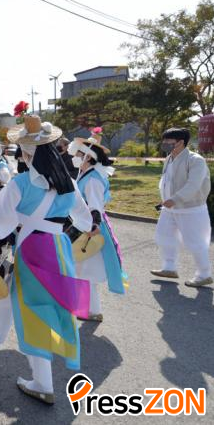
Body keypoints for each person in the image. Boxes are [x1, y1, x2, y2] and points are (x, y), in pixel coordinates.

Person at [0, 115, 92, 405]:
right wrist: (60, 238)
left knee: (34, 312)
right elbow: (86, 222)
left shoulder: (21, 184)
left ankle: (43, 383)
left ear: (26, 153)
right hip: (59, 251)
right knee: (18, 295)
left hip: (31, 251)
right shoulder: (69, 184)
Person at [68, 130, 127, 322]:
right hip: (86, 225)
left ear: (88, 157)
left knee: (86, 270)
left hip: (91, 228)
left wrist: (93, 225)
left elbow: (95, 206)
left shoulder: (92, 179)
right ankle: (87, 309)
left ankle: (92, 311)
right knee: (83, 269)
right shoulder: (86, 173)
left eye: (79, 154)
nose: (75, 156)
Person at [151, 128, 213, 288]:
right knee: (164, 236)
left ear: (180, 142)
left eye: (168, 141)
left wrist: (175, 199)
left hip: (191, 209)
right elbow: (167, 181)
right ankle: (169, 267)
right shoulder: (169, 158)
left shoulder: (195, 160)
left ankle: (204, 274)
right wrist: (166, 198)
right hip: (169, 208)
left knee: (196, 241)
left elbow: (194, 185)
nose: (164, 144)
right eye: (164, 140)